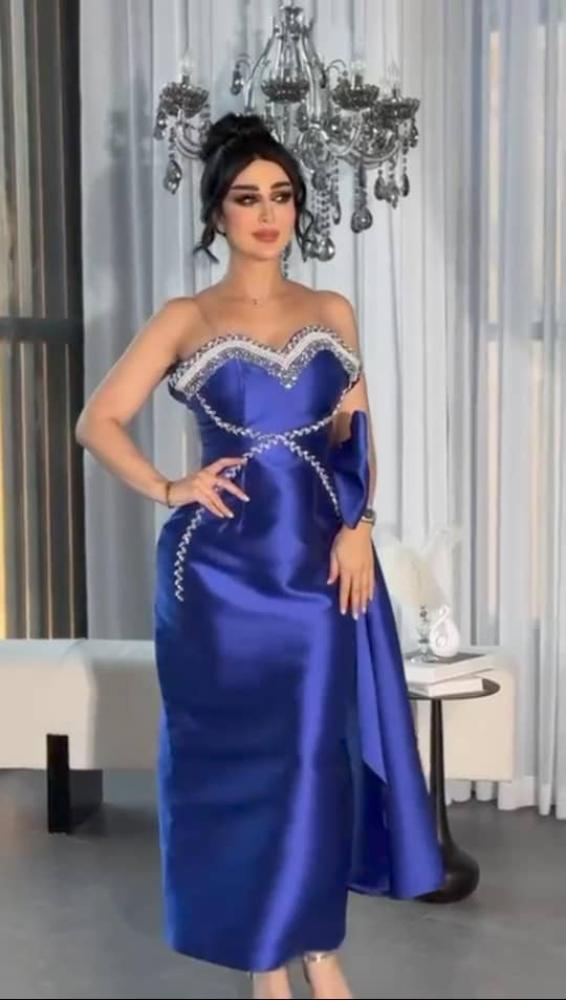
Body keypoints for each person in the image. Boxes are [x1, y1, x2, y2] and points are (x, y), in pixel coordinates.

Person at [75, 113, 444, 1000]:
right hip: (215, 581)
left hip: (317, 569)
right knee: (240, 767)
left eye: (282, 196)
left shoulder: (330, 310)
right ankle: (262, 958)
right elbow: (97, 422)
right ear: (218, 213)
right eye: (248, 198)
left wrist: (360, 526)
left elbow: (357, 434)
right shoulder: (185, 318)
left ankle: (318, 947)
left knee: (314, 758)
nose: (268, 213)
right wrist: (171, 487)